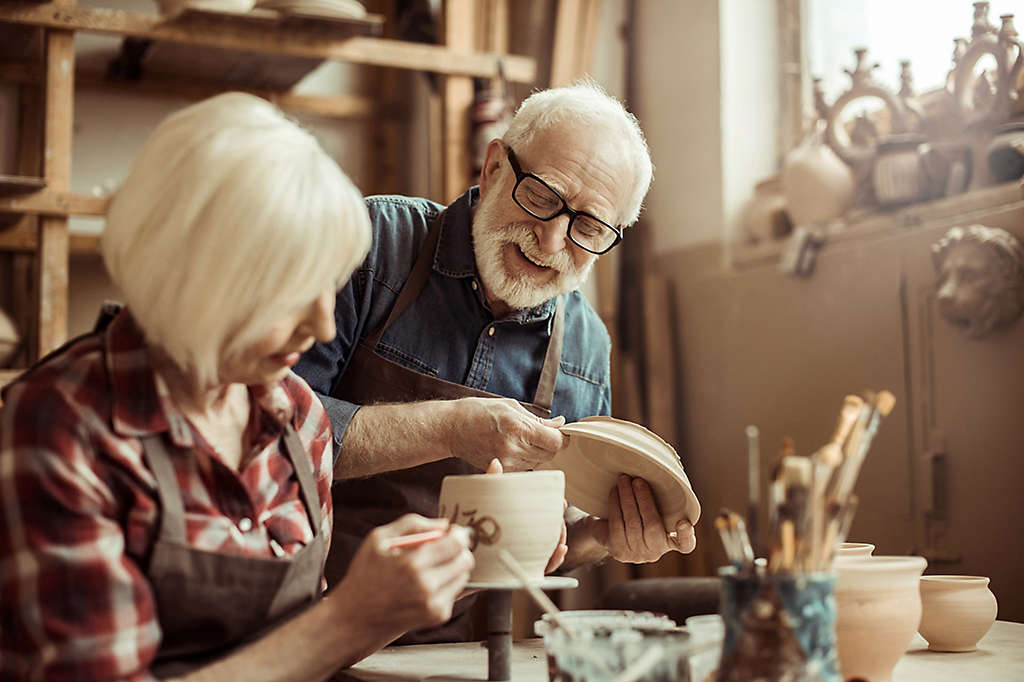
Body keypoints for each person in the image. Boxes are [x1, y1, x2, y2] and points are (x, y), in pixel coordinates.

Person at [0, 93, 474, 681]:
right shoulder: (62, 426)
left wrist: (396, 601)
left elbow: (299, 651)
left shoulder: (298, 418)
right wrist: (347, 620)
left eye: (329, 286)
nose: (323, 326)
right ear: (192, 275)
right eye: (291, 292)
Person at [294, 81, 697, 643]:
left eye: (587, 227)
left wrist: (603, 536)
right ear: (494, 168)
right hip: (303, 627)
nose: (552, 241)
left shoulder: (585, 349)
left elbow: (547, 542)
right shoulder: (373, 247)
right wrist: (452, 427)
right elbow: (269, 435)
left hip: (457, 654)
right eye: (542, 197)